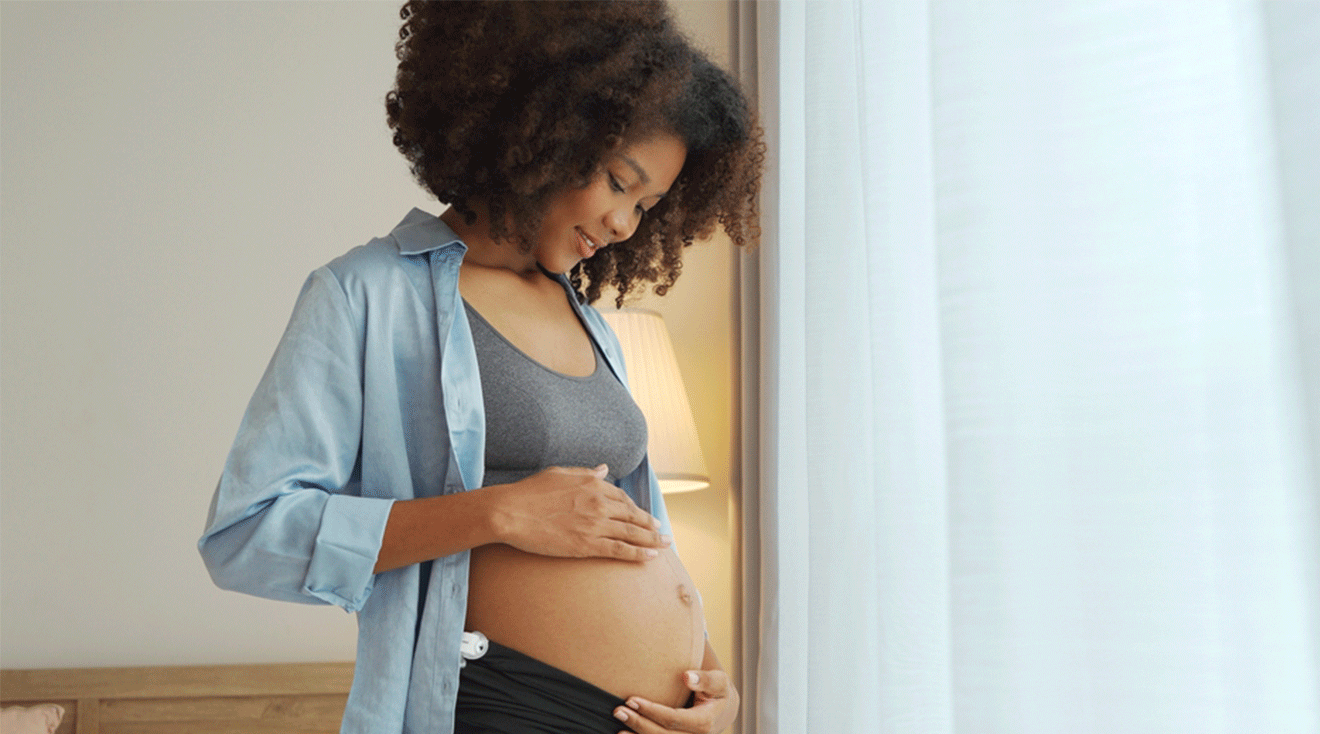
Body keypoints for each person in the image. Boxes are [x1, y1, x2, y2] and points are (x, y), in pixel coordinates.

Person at [198, 2, 762, 733]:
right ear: (547, 134)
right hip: (500, 706)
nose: (626, 224)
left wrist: (713, 681)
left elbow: (634, 528)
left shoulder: (591, 324)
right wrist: (500, 514)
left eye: (648, 205)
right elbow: (247, 535)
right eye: (619, 184)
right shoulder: (368, 294)